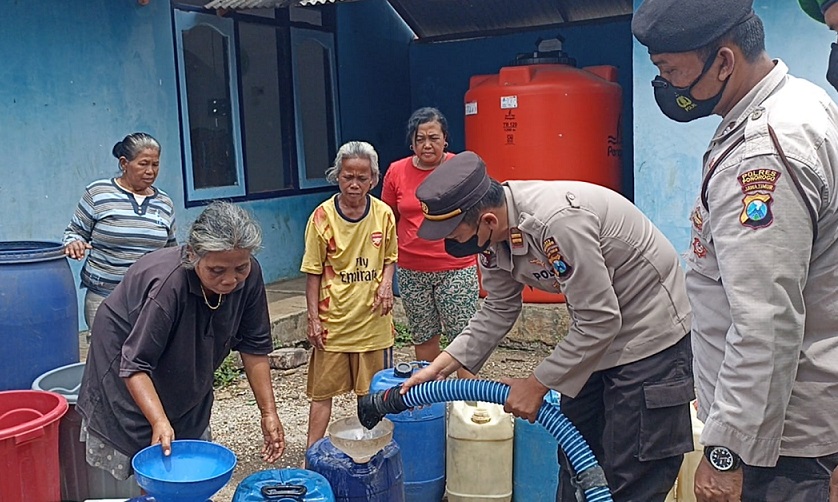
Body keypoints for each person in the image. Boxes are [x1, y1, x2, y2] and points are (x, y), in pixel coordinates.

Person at [632, 1, 838, 500]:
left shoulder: (763, 150)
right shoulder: (800, 101)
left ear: (724, 62)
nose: (666, 86)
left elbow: (765, 322)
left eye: (670, 70)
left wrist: (727, 453)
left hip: (783, 447)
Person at [402, 151, 695, 501]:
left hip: (651, 340)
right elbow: (498, 306)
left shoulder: (557, 222)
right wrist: (441, 366)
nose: (451, 243)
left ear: (488, 220)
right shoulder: (492, 236)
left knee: (629, 471)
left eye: (454, 233)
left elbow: (600, 318)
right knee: (576, 456)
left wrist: (536, 384)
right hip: (597, 339)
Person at [75, 201, 284, 481]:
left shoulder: (250, 273)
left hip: (186, 357)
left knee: (187, 425)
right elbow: (135, 364)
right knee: (145, 444)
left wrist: (268, 413)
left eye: (240, 268)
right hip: (124, 360)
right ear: (192, 255)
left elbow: (254, 346)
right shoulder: (168, 286)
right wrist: (159, 421)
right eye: (217, 271)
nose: (230, 280)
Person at [301, 140, 398, 449]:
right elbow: (313, 272)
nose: (354, 184)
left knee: (373, 395)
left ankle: (373, 452)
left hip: (373, 323)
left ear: (373, 179)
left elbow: (389, 257)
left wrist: (385, 284)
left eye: (362, 177)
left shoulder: (383, 214)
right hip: (334, 324)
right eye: (347, 177)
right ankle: (311, 456)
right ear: (337, 176)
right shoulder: (321, 217)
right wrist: (313, 319)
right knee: (321, 395)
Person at [381, 107, 478, 373]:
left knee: (464, 338)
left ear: (445, 138)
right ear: (411, 142)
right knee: (424, 336)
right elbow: (387, 216)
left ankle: (467, 403)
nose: (426, 145)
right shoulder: (396, 171)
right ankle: (431, 401)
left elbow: (479, 211)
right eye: (420, 138)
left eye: (433, 138)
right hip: (412, 270)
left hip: (455, 267)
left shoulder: (461, 166)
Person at [63, 132, 177, 331]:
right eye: (143, 164)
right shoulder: (98, 193)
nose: (151, 171)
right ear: (124, 163)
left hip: (150, 299)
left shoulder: (164, 203)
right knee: (108, 356)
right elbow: (74, 232)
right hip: (104, 297)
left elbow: (171, 251)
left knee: (145, 357)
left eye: (155, 164)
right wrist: (74, 243)